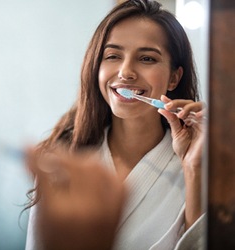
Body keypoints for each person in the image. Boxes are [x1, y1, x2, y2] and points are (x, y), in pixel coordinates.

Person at [25, 0, 206, 249]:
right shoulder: (62, 160)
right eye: (112, 56)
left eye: (146, 58)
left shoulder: (202, 169)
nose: (125, 72)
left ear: (174, 77)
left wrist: (195, 169)